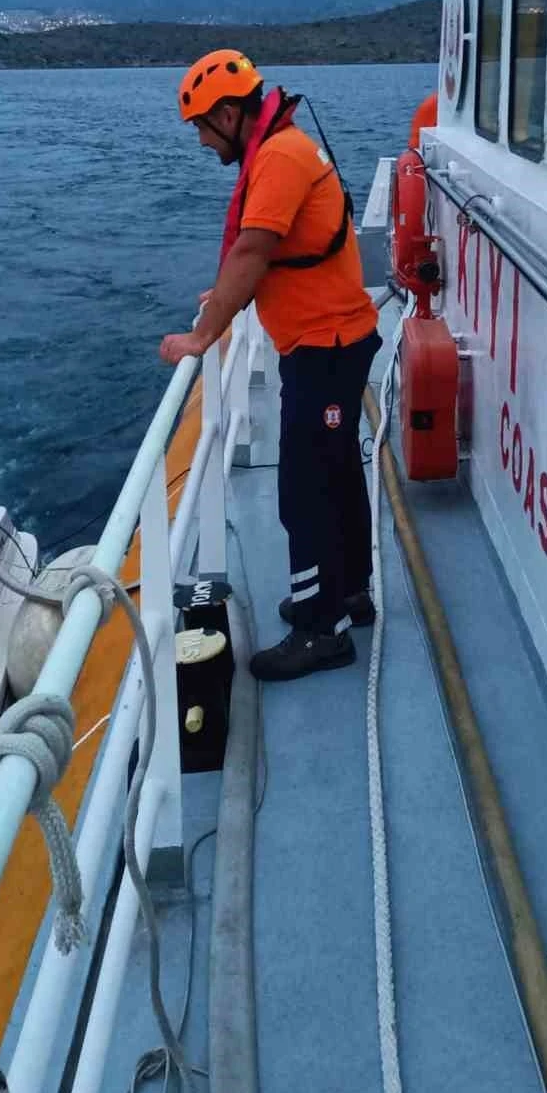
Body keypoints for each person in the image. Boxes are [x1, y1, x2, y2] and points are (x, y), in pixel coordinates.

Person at [159, 50, 381, 682]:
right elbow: (270, 254)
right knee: (338, 474)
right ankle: (349, 593)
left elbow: (253, 249)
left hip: (325, 347)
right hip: (332, 343)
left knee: (306, 491)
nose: (202, 141)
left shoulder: (279, 157)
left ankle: (320, 631)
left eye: (203, 127)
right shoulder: (283, 148)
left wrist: (203, 335)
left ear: (230, 115)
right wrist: (226, 295)